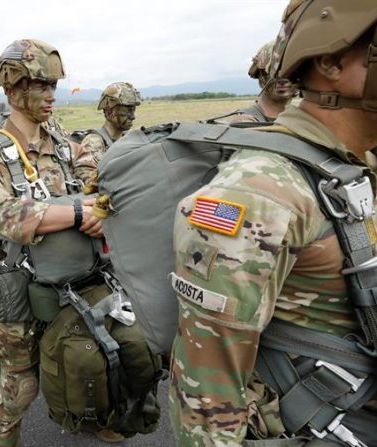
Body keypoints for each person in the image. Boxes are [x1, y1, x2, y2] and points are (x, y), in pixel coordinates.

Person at [169, 1, 377, 445]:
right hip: (324, 421)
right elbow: (206, 393)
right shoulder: (260, 192)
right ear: (330, 62)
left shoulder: (359, 166)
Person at [0, 39, 123, 445]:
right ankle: (3, 437)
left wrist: (100, 210)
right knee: (21, 385)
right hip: (20, 286)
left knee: (85, 357)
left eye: (54, 87)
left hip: (76, 276)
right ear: (13, 90)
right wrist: (76, 214)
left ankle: (87, 417)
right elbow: (2, 216)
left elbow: (95, 180)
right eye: (41, 86)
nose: (51, 96)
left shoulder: (59, 139)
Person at [211, 40, 299, 124]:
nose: (283, 78)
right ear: (260, 75)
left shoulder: (301, 120)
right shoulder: (245, 122)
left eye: (291, 71)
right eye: (274, 71)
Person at [80, 82, 141, 159]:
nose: (133, 117)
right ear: (109, 113)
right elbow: (86, 170)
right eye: (125, 111)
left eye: (133, 110)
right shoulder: (93, 143)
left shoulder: (128, 139)